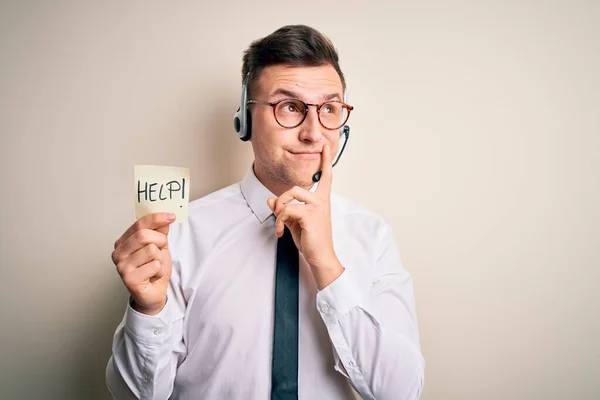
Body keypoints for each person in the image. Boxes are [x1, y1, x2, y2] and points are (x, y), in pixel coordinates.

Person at [106, 24, 425, 400]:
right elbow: (132, 397)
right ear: (244, 116)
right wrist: (148, 310)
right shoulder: (179, 234)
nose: (313, 132)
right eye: (289, 107)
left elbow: (401, 393)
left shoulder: (372, 236)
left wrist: (326, 264)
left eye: (328, 108)